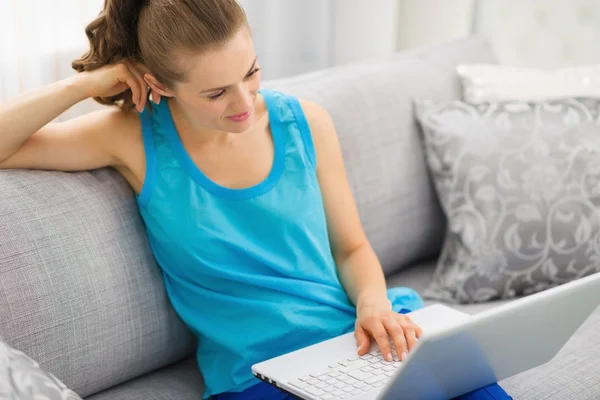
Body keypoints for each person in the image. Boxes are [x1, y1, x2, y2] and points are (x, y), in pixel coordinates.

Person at [0, 1, 512, 399]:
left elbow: (352, 248)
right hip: (255, 379)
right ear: (159, 84)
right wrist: (88, 84)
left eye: (251, 73)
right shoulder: (133, 138)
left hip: (352, 340)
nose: (245, 103)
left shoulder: (304, 122)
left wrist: (373, 303)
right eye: (216, 93)